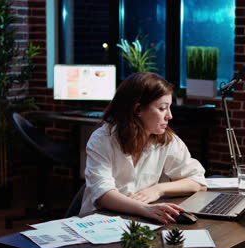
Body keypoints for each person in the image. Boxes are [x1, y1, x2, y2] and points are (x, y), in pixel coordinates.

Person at [79, 72, 207, 224]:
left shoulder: (167, 140)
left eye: (169, 108)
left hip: (137, 220)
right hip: (99, 222)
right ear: (138, 110)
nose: (169, 116)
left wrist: (159, 189)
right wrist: (145, 209)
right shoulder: (102, 140)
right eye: (162, 108)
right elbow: (103, 195)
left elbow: (197, 181)